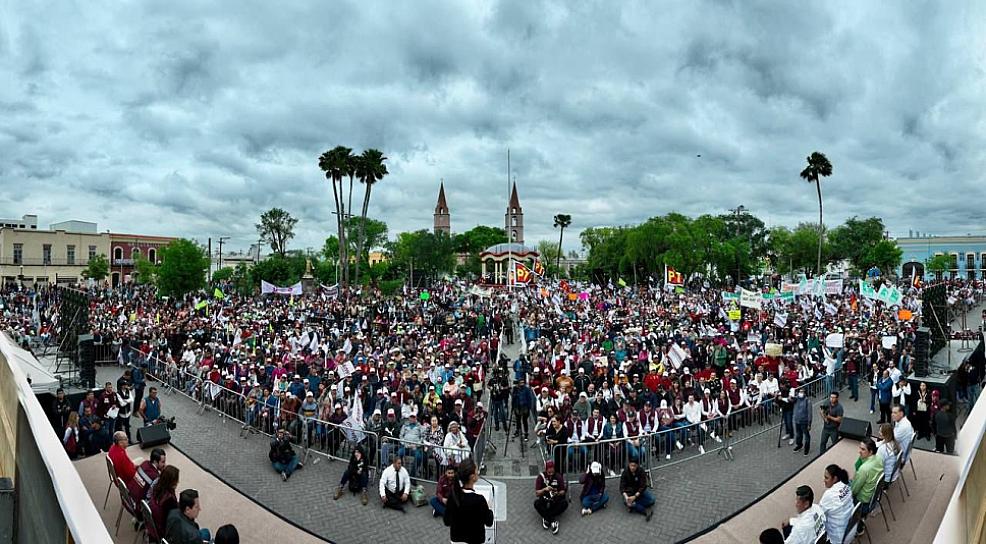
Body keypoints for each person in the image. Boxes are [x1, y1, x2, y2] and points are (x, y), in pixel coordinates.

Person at [443, 458, 494, 544]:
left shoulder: (453, 496)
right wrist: (489, 509)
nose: (478, 473)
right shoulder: (479, 500)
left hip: (456, 540)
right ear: (472, 477)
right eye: (477, 471)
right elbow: (489, 522)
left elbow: (447, 521)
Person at [819, 464, 853, 544]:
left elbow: (819, 515)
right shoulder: (846, 486)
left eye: (826, 478)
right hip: (850, 530)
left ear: (835, 479)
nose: (824, 480)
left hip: (837, 538)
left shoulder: (829, 495)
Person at [534, 460, 568, 534]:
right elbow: (537, 493)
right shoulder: (541, 477)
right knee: (536, 503)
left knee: (565, 503)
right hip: (545, 500)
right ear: (546, 470)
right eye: (549, 473)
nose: (551, 475)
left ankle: (547, 518)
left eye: (552, 472)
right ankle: (552, 520)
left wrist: (557, 493)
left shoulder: (558, 476)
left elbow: (563, 491)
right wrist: (544, 489)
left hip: (555, 500)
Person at [850, 438, 883, 516]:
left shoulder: (864, 469)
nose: (859, 451)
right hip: (873, 496)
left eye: (863, 449)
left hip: (862, 502)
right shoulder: (879, 458)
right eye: (860, 448)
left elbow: (854, 491)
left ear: (870, 452)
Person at [619, 457, 654, 522]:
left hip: (638, 491)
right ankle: (644, 510)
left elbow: (643, 485)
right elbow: (622, 487)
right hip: (629, 492)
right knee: (626, 501)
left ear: (637, 465)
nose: (632, 467)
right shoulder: (625, 472)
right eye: (631, 465)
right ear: (629, 464)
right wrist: (626, 497)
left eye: (634, 466)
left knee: (652, 500)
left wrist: (635, 496)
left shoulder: (641, 471)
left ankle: (634, 504)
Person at [150, 465, 179, 535]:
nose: (178, 482)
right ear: (172, 482)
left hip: (154, 524)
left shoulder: (156, 487)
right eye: (177, 480)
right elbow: (175, 518)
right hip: (164, 530)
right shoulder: (169, 500)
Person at [792, 388, 812, 456]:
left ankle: (807, 449)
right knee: (798, 434)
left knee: (806, 436)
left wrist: (809, 424)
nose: (800, 393)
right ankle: (799, 445)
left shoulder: (808, 401)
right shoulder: (796, 398)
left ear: (805, 393)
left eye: (802, 392)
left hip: (804, 421)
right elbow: (790, 400)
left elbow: (810, 413)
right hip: (797, 420)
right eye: (800, 391)